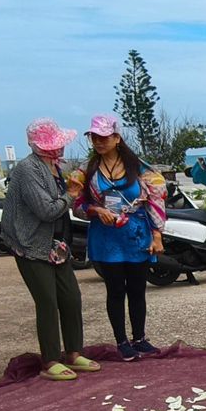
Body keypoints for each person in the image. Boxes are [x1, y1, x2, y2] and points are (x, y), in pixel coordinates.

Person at [3, 119, 97, 381]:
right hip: (31, 244)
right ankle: (50, 360)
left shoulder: (55, 166)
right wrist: (71, 194)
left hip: (57, 244)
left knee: (71, 297)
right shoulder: (27, 169)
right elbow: (46, 210)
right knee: (47, 301)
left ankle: (74, 352)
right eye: (55, 144)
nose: (61, 148)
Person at [67, 115, 165, 361]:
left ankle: (140, 338)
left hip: (136, 233)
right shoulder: (86, 171)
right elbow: (76, 204)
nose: (99, 142)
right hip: (106, 236)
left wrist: (157, 235)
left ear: (117, 138)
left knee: (138, 289)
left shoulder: (139, 168)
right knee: (115, 290)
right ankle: (121, 341)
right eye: (94, 138)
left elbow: (156, 199)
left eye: (104, 137)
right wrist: (95, 210)